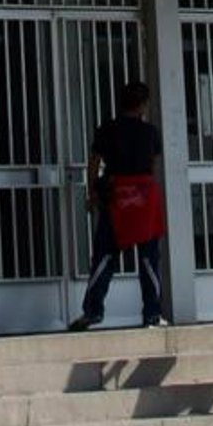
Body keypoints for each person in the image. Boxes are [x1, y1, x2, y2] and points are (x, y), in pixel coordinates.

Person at [68, 78, 164, 332]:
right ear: (143, 105)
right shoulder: (150, 132)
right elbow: (152, 165)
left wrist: (92, 193)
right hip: (144, 198)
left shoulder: (107, 129)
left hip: (116, 196)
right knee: (149, 259)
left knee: (104, 256)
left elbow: (94, 162)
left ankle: (92, 311)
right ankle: (152, 314)